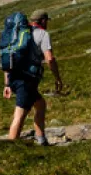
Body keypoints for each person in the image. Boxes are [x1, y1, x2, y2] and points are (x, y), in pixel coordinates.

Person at [4, 10, 65, 144]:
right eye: (46, 20)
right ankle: (10, 148)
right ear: (42, 21)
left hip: (15, 78)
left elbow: (9, 58)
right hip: (27, 81)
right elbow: (49, 58)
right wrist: (57, 78)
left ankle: (41, 139)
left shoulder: (19, 34)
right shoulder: (42, 34)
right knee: (19, 115)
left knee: (40, 104)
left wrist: (7, 84)